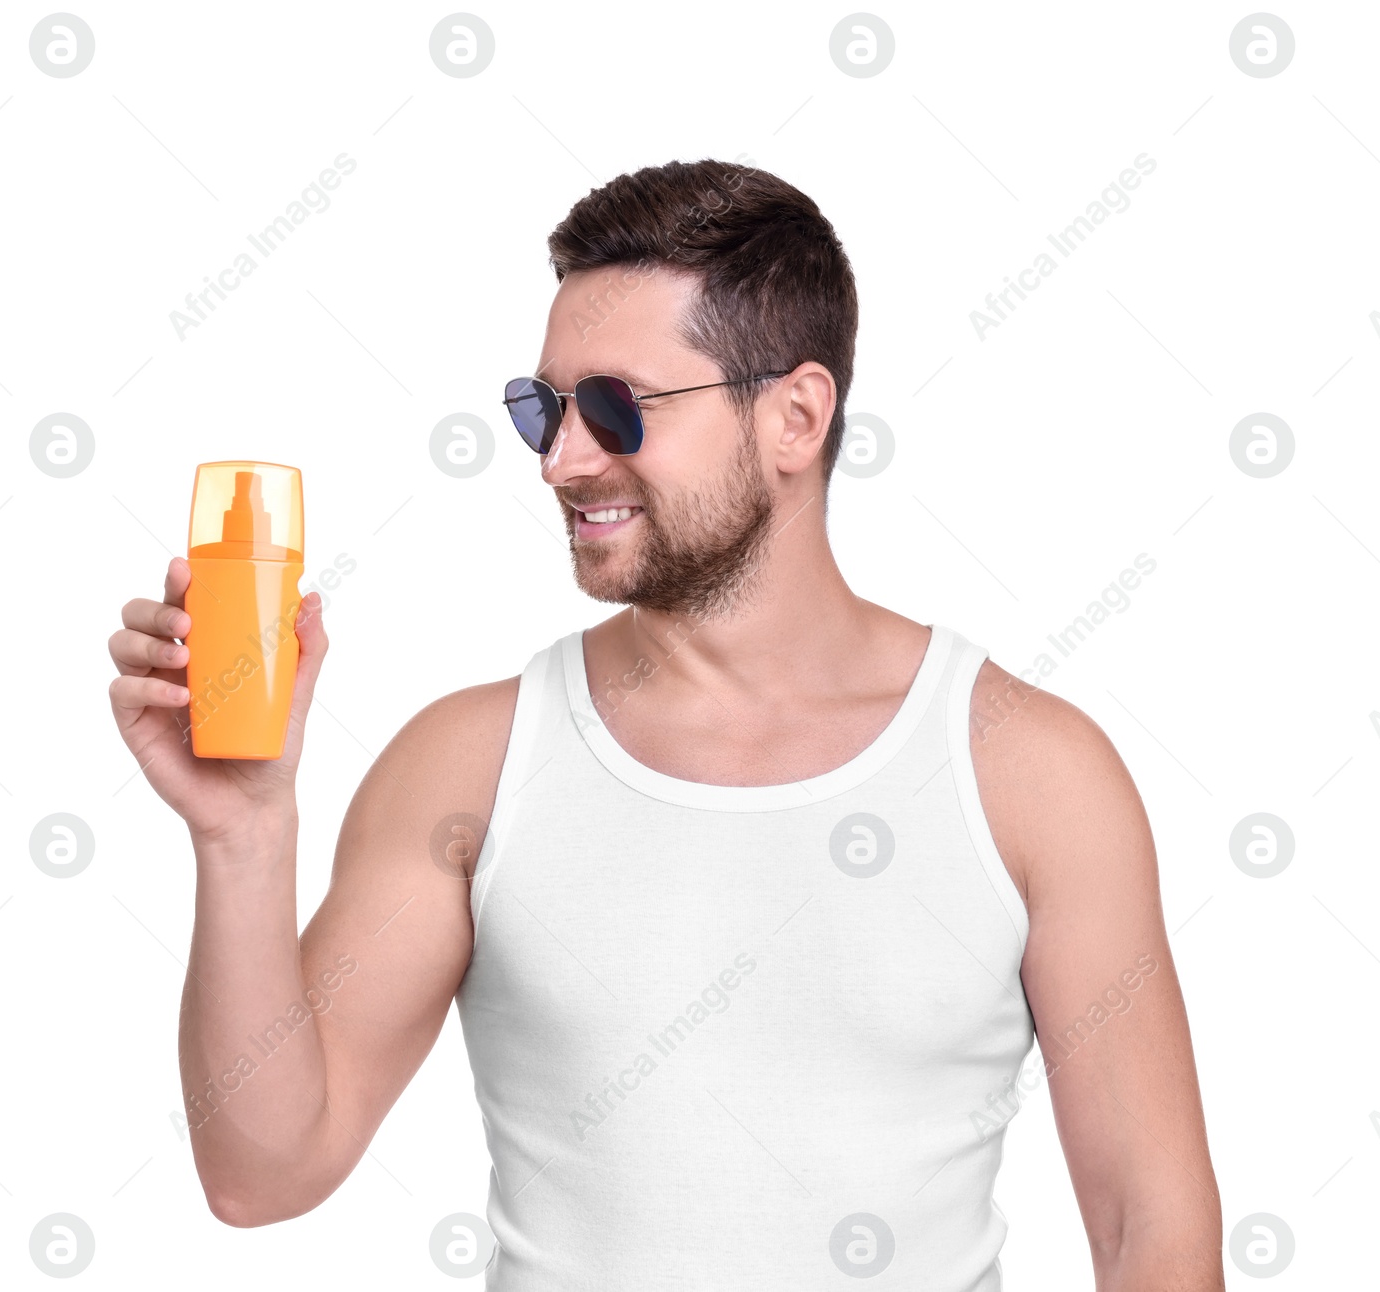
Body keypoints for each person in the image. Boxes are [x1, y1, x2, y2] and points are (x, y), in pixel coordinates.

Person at [107, 158, 1221, 1289]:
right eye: (543, 407)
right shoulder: (470, 764)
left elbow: (1153, 1234)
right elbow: (263, 1171)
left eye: (614, 407)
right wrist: (240, 835)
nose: (562, 459)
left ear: (794, 415)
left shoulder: (1029, 772)